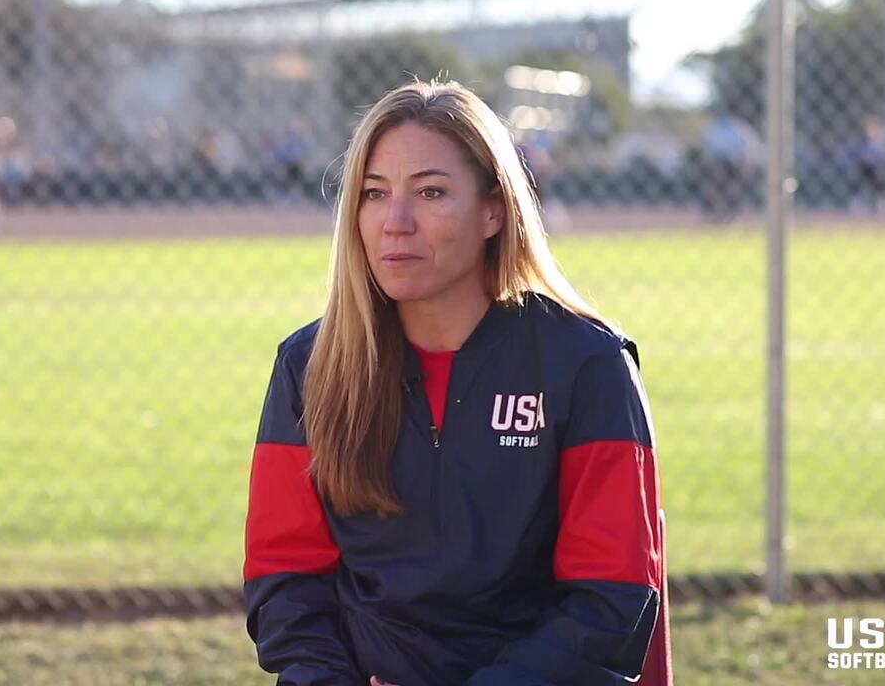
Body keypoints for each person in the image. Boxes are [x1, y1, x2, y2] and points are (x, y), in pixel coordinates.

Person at [243, 80, 671, 686]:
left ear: (494, 210)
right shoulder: (309, 366)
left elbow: (610, 599)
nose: (395, 222)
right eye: (373, 193)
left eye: (431, 192)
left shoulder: (586, 364)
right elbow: (284, 579)